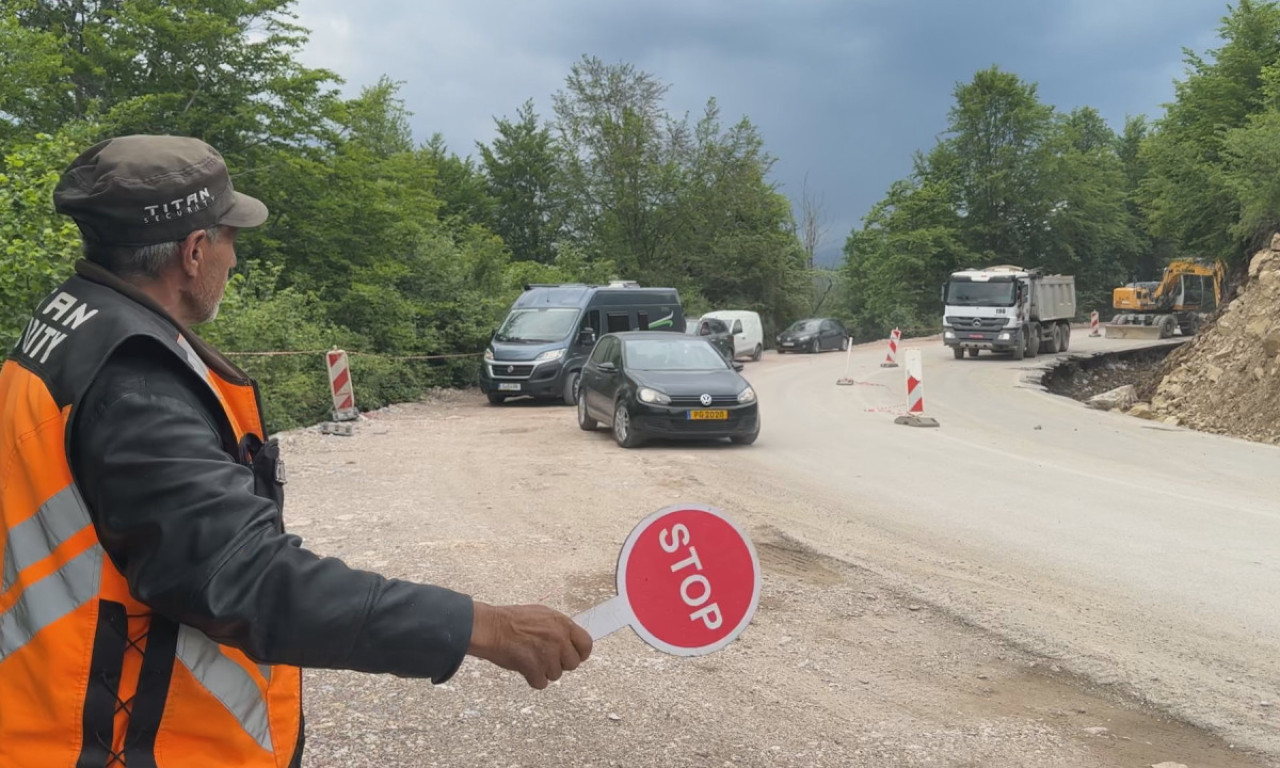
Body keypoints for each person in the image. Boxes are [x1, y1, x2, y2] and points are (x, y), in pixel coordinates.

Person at [0, 135, 592, 767]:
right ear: (194, 252)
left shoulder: (68, 327)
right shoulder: (135, 384)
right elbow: (246, 579)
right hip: (120, 741)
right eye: (231, 239)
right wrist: (483, 627)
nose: (235, 260)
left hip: (49, 709)